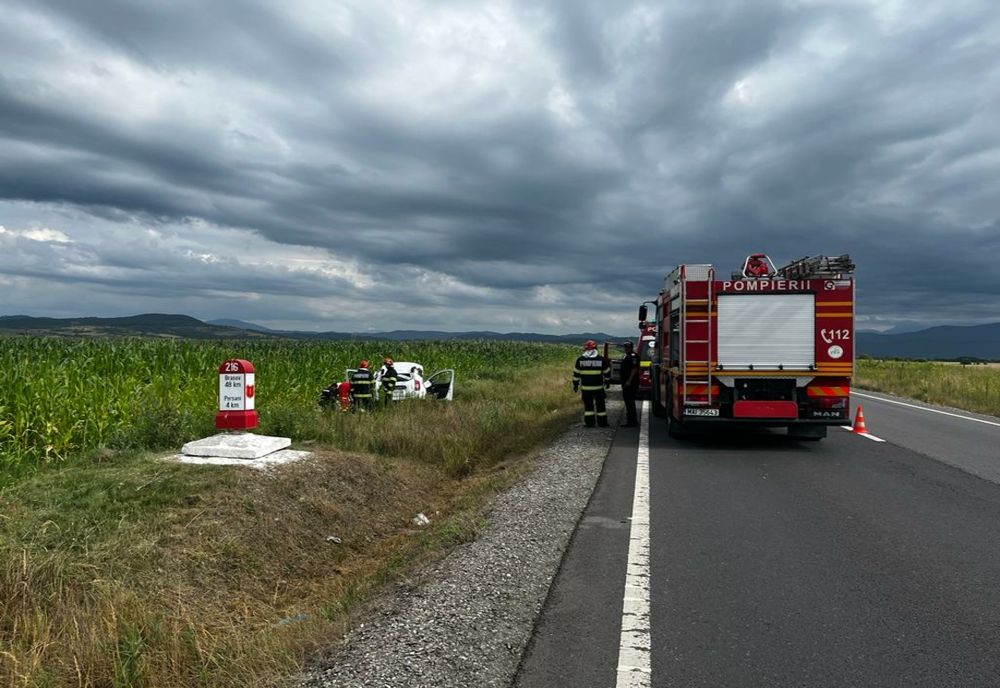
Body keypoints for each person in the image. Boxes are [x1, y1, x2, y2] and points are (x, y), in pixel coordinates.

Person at [572, 339, 610, 427]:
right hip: (598, 388)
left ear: (585, 349)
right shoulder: (601, 359)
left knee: (588, 407)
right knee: (601, 406)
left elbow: (576, 373)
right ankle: (602, 423)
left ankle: (590, 423)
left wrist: (575, 384)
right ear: (595, 348)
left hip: (586, 389)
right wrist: (607, 381)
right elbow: (607, 372)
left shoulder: (580, 360)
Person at [619, 341, 640, 427]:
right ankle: (631, 421)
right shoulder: (627, 356)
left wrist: (629, 381)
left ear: (631, 348)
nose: (626, 349)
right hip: (626, 382)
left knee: (630, 402)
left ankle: (632, 422)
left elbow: (634, 369)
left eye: (627, 347)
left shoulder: (633, 356)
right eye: (625, 347)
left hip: (630, 383)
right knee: (628, 402)